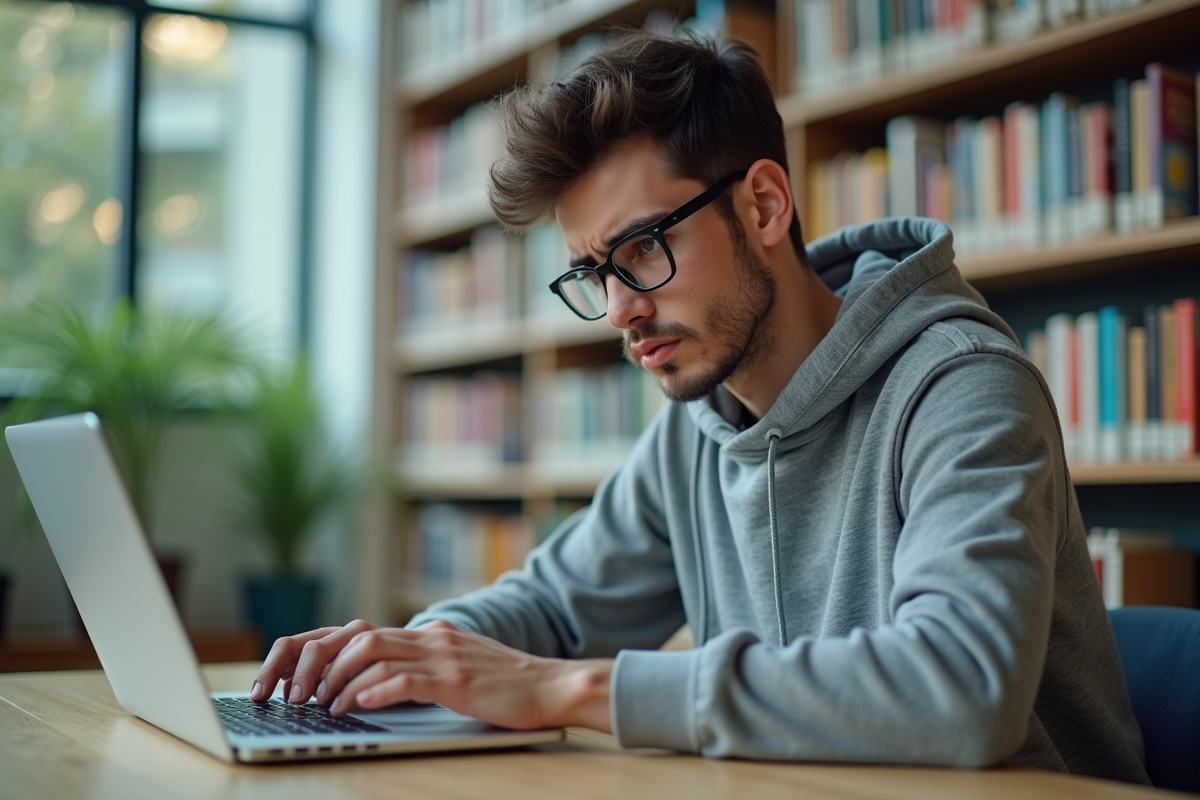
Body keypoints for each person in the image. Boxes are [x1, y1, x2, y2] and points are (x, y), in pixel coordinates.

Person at [252, 31, 1149, 782]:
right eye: (592, 273)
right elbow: (557, 609)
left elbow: (963, 690)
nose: (619, 311)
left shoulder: (962, 386)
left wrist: (562, 691)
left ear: (763, 204)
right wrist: (413, 656)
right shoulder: (697, 424)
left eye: (642, 249)